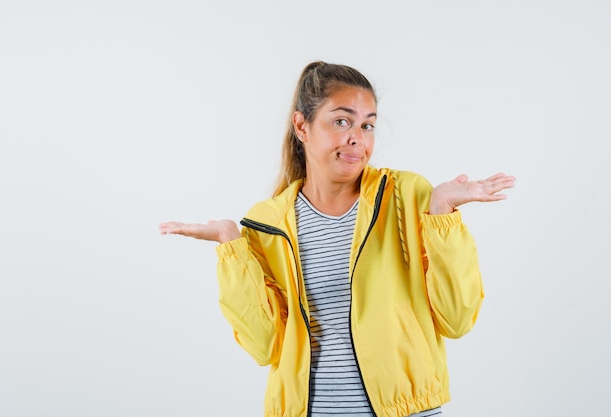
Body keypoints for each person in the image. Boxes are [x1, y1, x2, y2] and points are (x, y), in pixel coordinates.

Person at [159, 61, 515, 417]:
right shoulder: (266, 224)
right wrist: (231, 245)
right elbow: (264, 345)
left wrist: (442, 214)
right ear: (302, 126)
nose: (356, 137)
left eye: (367, 125)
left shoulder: (407, 196)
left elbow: (457, 318)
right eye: (341, 121)